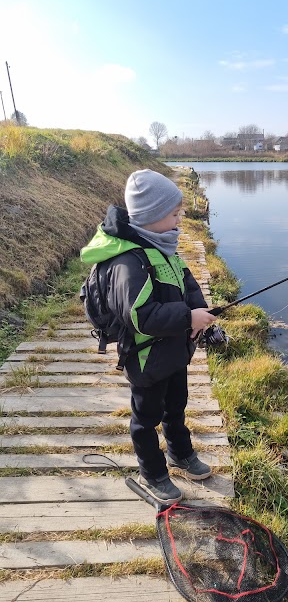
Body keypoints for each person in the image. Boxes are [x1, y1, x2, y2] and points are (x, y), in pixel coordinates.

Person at [81, 169, 217, 505]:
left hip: (174, 351)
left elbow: (185, 282)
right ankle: (153, 474)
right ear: (152, 217)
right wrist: (186, 317)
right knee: (145, 420)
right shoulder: (128, 261)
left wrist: (198, 311)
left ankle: (180, 454)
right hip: (145, 358)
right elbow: (141, 315)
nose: (179, 220)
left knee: (176, 407)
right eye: (174, 214)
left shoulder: (163, 246)